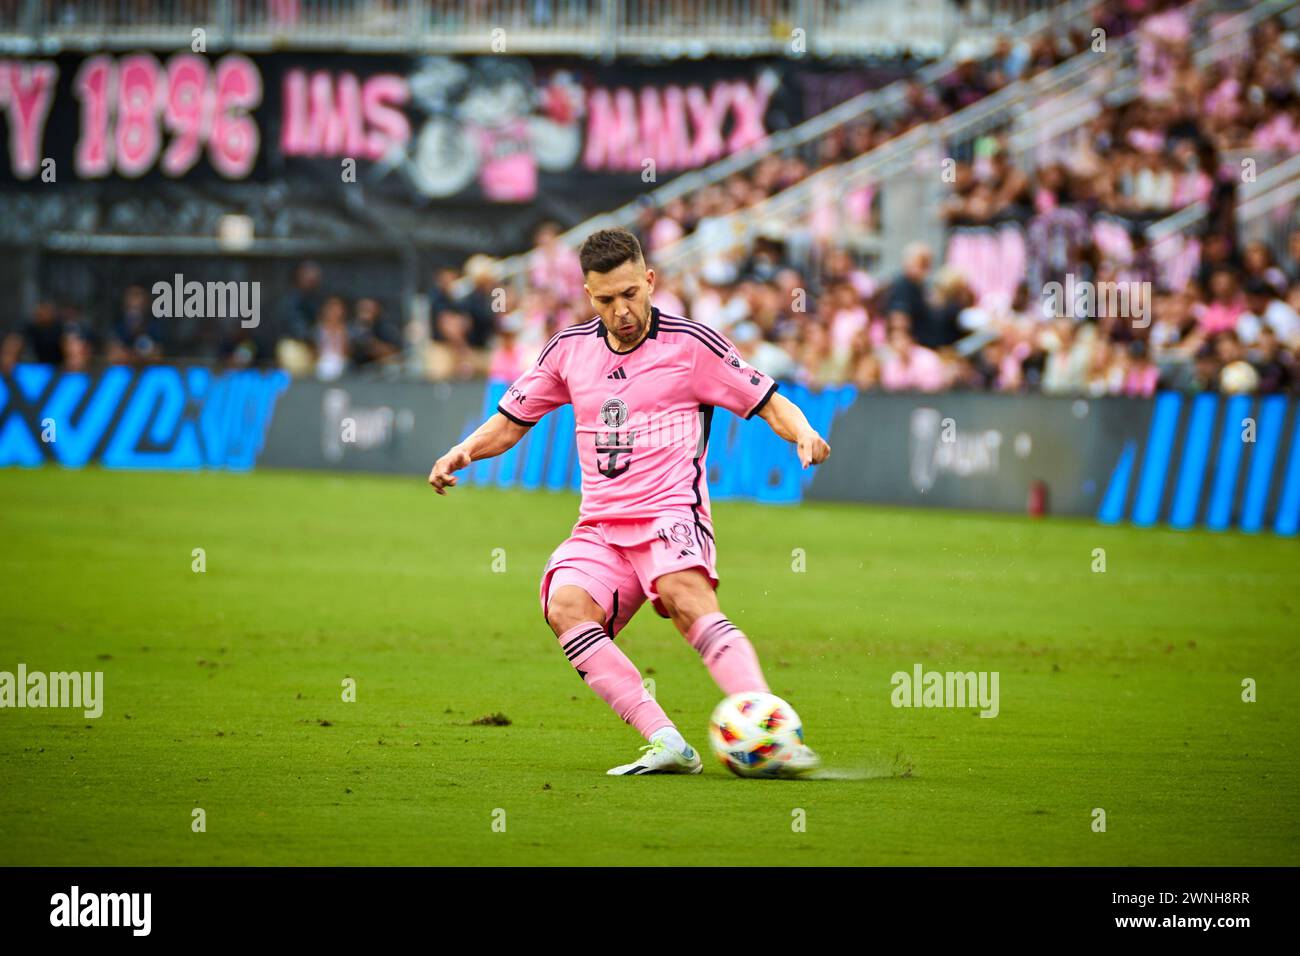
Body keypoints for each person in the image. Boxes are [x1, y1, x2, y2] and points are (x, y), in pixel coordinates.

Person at [427, 228, 831, 777]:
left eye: (629, 294)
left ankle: (769, 728)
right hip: (601, 528)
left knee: (684, 597)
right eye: (605, 299)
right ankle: (667, 742)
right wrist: (462, 451)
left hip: (671, 515)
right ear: (588, 295)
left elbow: (767, 399)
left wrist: (803, 433)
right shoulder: (569, 351)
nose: (621, 310)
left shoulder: (691, 347)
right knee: (565, 606)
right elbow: (511, 421)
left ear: (649, 281)